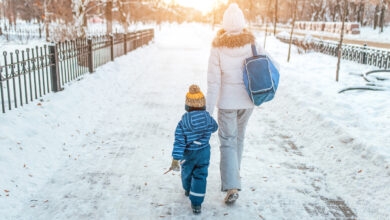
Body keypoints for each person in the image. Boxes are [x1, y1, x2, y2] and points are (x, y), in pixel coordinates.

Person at [206, 3, 280, 204]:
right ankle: (234, 179)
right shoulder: (252, 43)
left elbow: (213, 83)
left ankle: (232, 186)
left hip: (227, 103)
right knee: (238, 139)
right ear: (242, 22)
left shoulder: (217, 47)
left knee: (228, 141)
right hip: (248, 101)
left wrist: (208, 111)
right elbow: (273, 64)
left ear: (224, 24)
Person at [169, 85, 218, 214]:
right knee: (201, 175)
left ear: (187, 106)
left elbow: (179, 141)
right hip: (204, 152)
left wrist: (176, 158)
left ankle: (187, 188)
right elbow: (215, 127)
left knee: (187, 172)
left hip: (189, 154)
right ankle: (196, 204)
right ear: (203, 104)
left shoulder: (183, 122)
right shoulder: (208, 118)